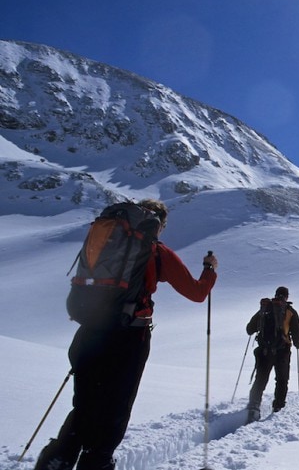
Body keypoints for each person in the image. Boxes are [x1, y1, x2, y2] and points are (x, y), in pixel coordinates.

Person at [35, 199, 218, 470]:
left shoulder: (105, 238)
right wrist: (209, 269)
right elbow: (197, 292)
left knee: (85, 405)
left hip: (89, 333)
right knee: (115, 409)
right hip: (129, 338)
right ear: (158, 224)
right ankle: (97, 462)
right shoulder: (156, 252)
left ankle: (58, 459)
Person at [246, 286, 299, 423]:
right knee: (282, 380)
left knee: (260, 380)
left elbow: (249, 329)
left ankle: (254, 407)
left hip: (264, 351)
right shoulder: (290, 311)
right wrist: (297, 343)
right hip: (282, 351)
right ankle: (278, 407)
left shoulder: (265, 308)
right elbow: (297, 334)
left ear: (276, 294)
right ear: (287, 296)